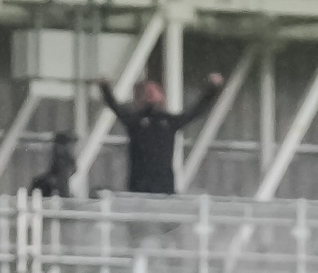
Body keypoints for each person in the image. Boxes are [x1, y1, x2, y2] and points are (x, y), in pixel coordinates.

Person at [94, 72, 223, 196]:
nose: (152, 95)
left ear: (162, 96)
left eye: (155, 91)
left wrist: (212, 90)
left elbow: (196, 111)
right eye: (148, 92)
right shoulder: (135, 121)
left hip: (164, 186)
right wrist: (104, 88)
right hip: (139, 185)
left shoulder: (169, 121)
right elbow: (114, 106)